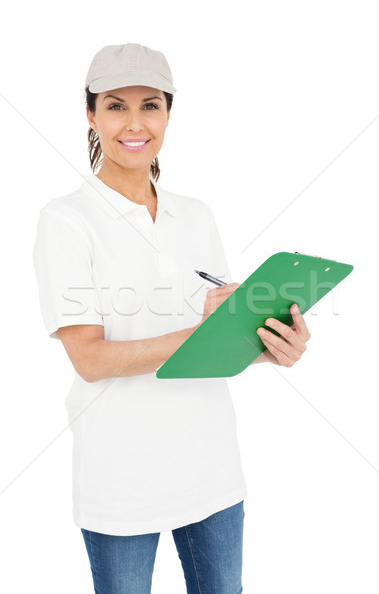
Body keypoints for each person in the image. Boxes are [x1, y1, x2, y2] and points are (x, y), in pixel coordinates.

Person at [32, 42, 310, 594]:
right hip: (122, 480)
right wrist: (200, 333)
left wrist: (271, 344)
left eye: (150, 105)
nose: (134, 123)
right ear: (90, 115)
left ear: (168, 114)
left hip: (213, 472)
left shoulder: (197, 215)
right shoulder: (65, 220)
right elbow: (88, 358)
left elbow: (218, 343)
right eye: (115, 106)